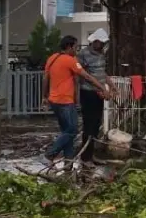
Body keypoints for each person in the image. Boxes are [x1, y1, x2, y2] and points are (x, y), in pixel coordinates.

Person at [42, 35, 109, 164]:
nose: (76, 51)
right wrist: (102, 88)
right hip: (65, 102)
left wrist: (44, 96)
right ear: (69, 47)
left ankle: (69, 162)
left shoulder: (52, 58)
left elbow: (45, 78)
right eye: (76, 47)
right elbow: (87, 77)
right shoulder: (70, 60)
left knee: (67, 132)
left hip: (54, 101)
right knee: (72, 130)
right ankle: (49, 154)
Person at [77, 28, 111, 163]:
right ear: (95, 41)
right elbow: (85, 76)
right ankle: (85, 157)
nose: (102, 45)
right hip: (88, 93)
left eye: (103, 43)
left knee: (96, 124)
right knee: (89, 125)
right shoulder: (83, 54)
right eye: (100, 43)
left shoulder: (101, 54)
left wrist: (111, 85)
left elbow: (102, 73)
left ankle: (91, 155)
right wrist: (101, 88)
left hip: (99, 93)